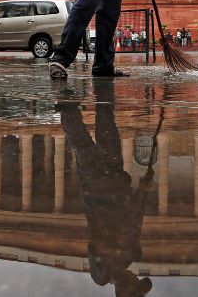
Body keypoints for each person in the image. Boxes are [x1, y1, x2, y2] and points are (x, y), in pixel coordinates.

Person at [56, 79, 154, 297]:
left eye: (135, 284)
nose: (135, 277)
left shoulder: (101, 276)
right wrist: (144, 187)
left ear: (125, 290)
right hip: (115, 175)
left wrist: (121, 252)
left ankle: (64, 100)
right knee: (106, 123)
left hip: (96, 185)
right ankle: (95, 93)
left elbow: (98, 246)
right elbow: (135, 216)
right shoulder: (128, 256)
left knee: (80, 139)